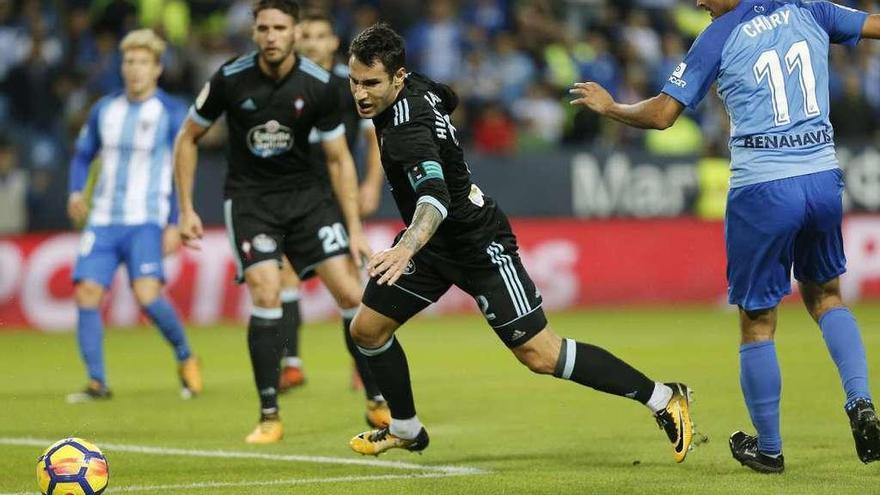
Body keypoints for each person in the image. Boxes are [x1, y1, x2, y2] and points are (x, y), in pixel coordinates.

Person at [344, 23, 701, 463]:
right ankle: (404, 428)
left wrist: (405, 248)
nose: (360, 93)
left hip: (476, 243)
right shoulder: (415, 88)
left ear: (397, 78)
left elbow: (434, 199)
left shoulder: (407, 133)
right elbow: (446, 96)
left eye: (371, 83)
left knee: (540, 354)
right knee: (366, 329)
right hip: (436, 248)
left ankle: (665, 398)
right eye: (355, 81)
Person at [570, 0, 880, 473]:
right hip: (821, 177)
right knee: (828, 296)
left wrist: (611, 106)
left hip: (762, 187)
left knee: (757, 321)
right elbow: (874, 23)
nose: (699, 3)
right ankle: (861, 403)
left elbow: (662, 114)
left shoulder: (718, 35)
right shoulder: (811, 8)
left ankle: (771, 449)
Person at [173, 0, 388, 444]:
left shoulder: (320, 86)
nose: (271, 35)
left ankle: (376, 400)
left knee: (351, 292)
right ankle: (269, 413)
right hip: (252, 203)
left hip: (309, 201)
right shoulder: (230, 78)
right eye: (264, 27)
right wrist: (186, 208)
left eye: (280, 27)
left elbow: (338, 157)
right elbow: (188, 137)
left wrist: (354, 226)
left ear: (294, 33)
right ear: (254, 32)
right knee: (267, 290)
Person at [66, 28, 202, 403]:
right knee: (86, 292)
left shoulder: (171, 113)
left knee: (146, 295)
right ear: (121, 66)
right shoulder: (103, 110)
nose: (135, 69)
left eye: (143, 62)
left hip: (146, 218)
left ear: (157, 69)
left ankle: (186, 355)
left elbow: (181, 166)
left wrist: (178, 218)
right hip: (103, 219)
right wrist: (77, 191)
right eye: (129, 61)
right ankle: (97, 382)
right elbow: (82, 155)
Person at [276, 9, 384, 397]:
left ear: (334, 42)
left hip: (336, 195)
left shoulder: (351, 86)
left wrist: (371, 184)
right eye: (306, 36)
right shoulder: (287, 85)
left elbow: (373, 139)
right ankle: (291, 364)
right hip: (293, 196)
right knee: (285, 275)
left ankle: (364, 363)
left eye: (320, 36)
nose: (312, 43)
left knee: (349, 288)